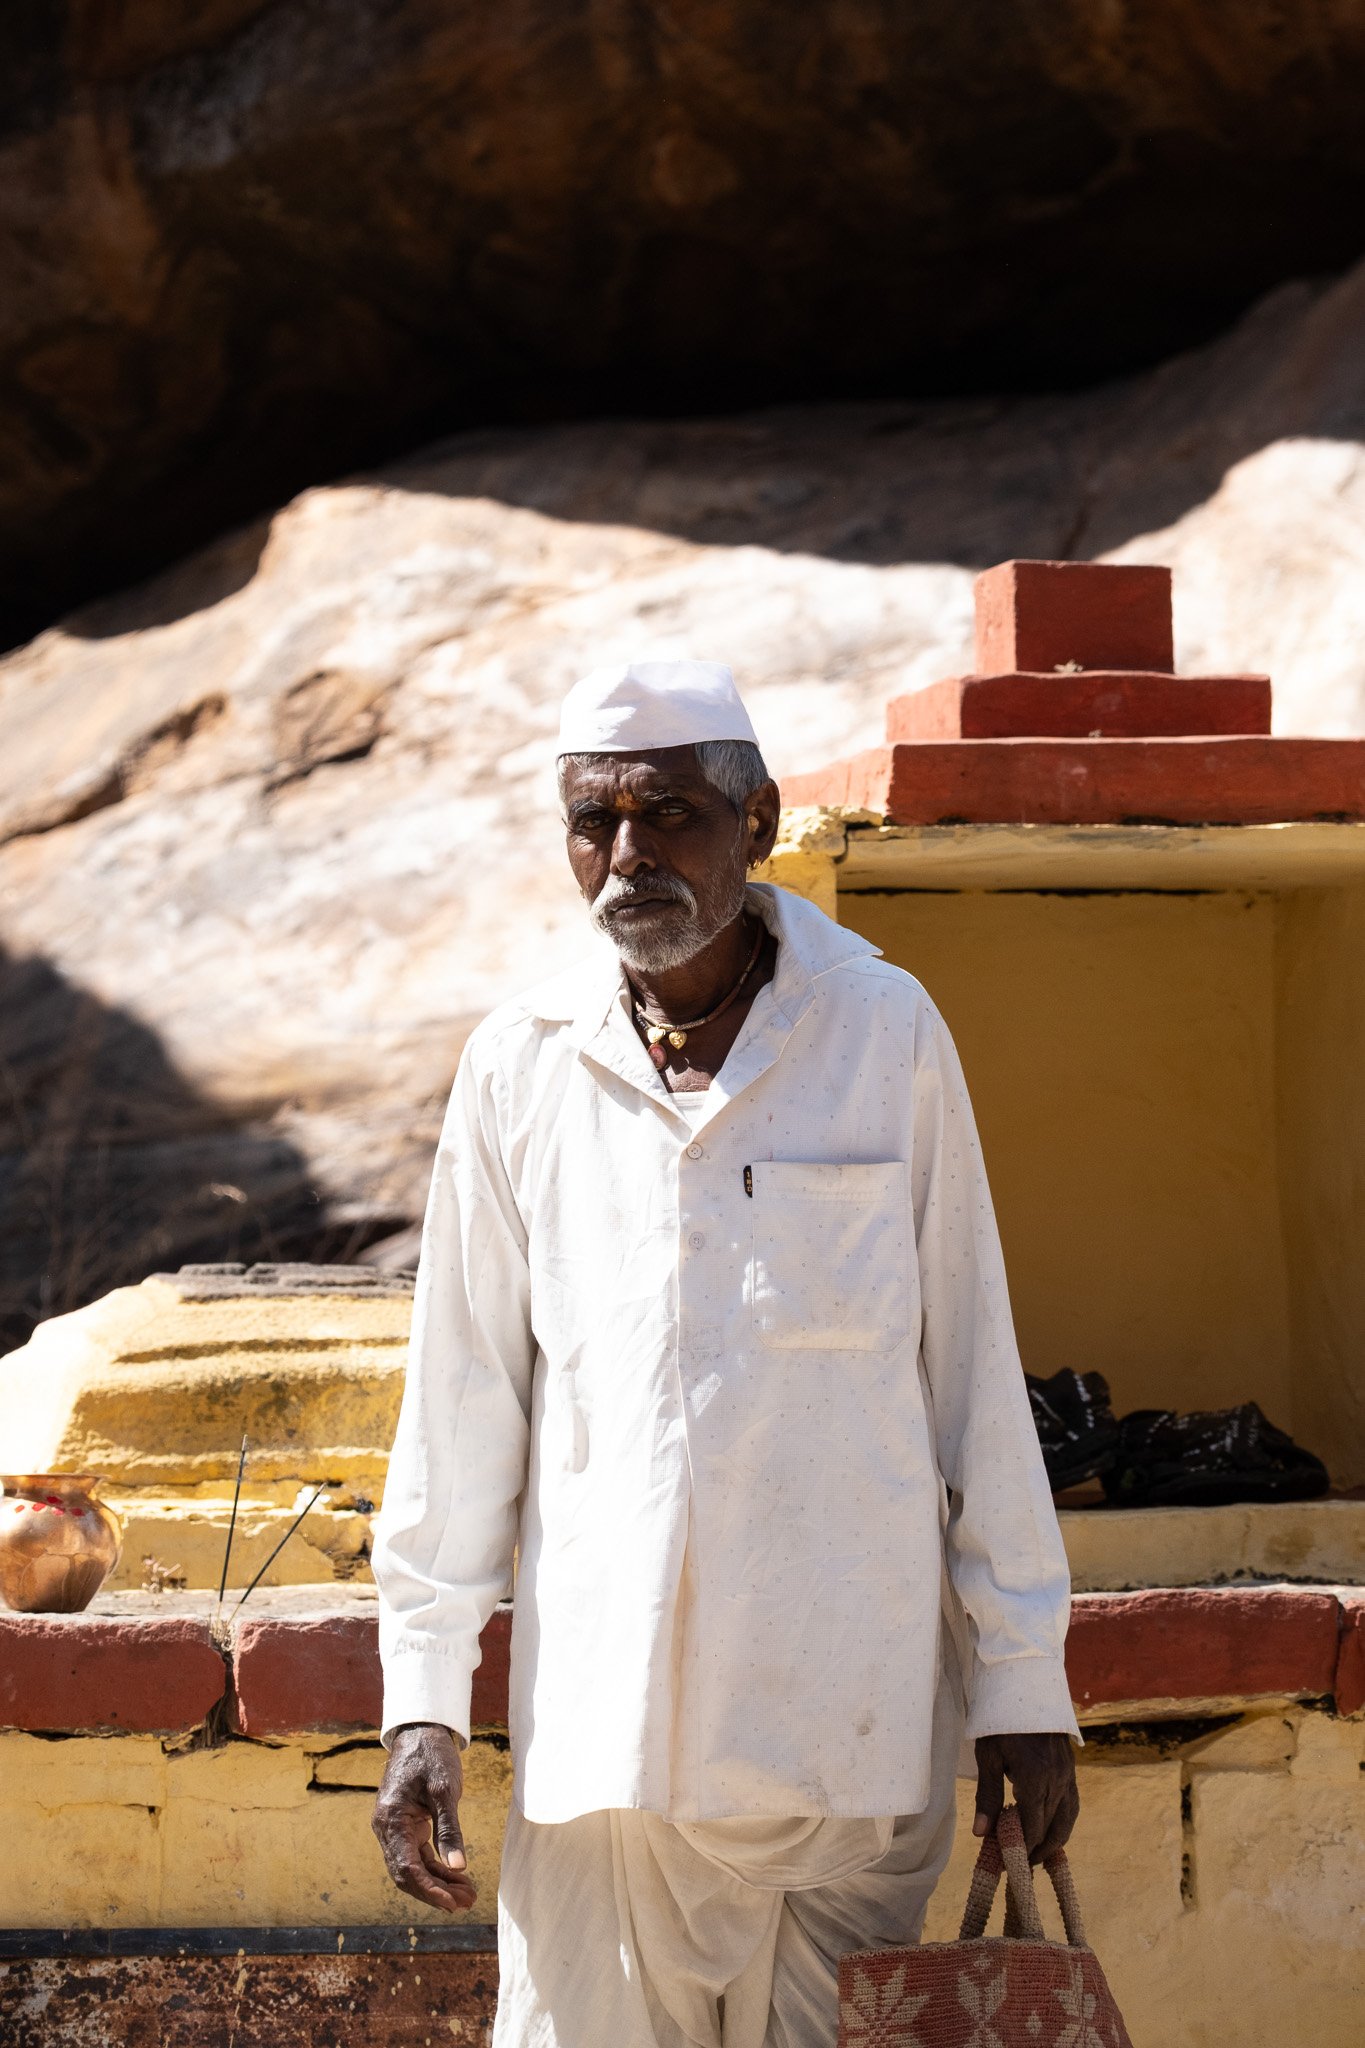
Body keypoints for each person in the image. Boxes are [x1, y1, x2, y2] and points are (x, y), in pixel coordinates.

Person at [371, 659, 1080, 2047]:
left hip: (847, 1740)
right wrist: (422, 1708)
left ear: (754, 824)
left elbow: (969, 1380)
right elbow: (460, 1406)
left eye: (671, 814)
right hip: (604, 1754)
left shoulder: (882, 1031)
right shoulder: (521, 1059)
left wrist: (1020, 1685)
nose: (627, 856)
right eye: (594, 822)